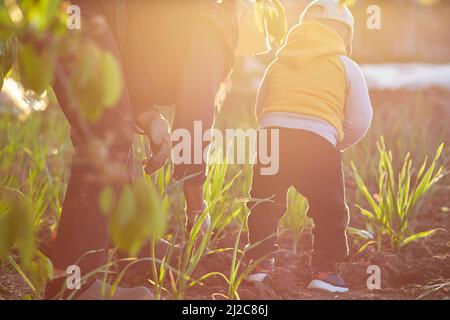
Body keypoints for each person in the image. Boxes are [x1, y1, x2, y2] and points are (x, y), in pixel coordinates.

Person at [45, 0, 240, 299]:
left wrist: (148, 116)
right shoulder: (216, 22)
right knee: (106, 131)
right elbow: (195, 114)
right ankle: (72, 286)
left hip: (82, 15)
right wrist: (196, 207)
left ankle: (130, 240)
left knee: (114, 125)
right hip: (74, 11)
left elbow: (121, 60)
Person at [245, 0, 373, 293]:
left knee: (264, 203)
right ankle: (326, 273)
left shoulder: (278, 62)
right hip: (317, 141)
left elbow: (261, 106)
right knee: (329, 209)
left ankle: (259, 266)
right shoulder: (345, 65)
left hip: (272, 138)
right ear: (345, 35)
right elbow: (360, 119)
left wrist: (274, 127)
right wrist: (336, 141)